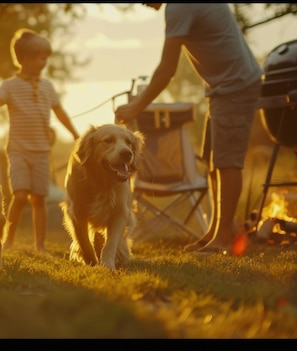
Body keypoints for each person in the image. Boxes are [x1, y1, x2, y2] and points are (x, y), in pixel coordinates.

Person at [115, 4, 263, 254]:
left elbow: (167, 69)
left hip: (235, 86)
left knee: (227, 161)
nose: (144, 5)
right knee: (213, 159)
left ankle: (224, 235)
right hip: (222, 88)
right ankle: (217, 231)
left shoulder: (178, 7)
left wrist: (137, 107)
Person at [0, 28, 80, 253]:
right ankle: (6, 241)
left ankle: (40, 246)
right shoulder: (10, 86)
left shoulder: (47, 87)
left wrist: (75, 134)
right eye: (42, 57)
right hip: (18, 150)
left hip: (42, 151)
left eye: (46, 58)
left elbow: (60, 112)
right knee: (20, 195)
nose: (44, 62)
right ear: (26, 59)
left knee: (39, 198)